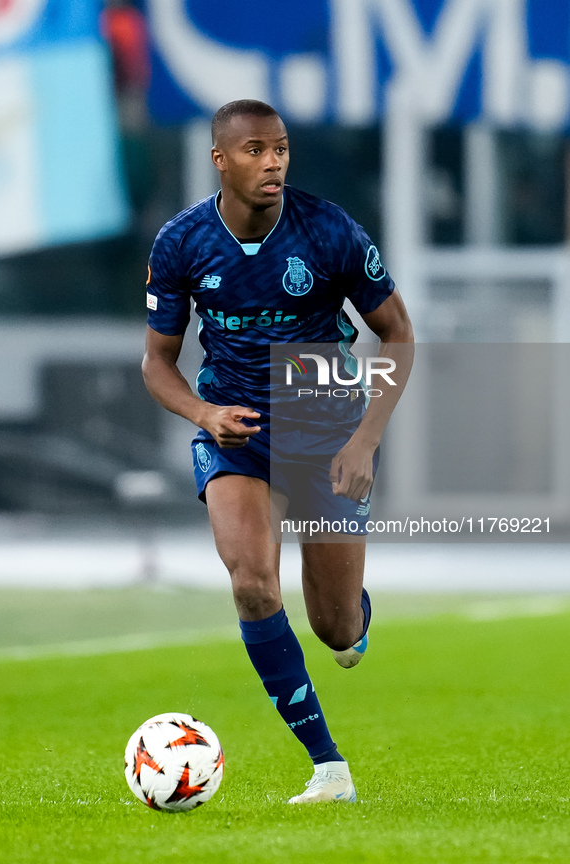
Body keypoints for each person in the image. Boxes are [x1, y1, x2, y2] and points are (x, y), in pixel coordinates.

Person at [142, 99, 414, 804]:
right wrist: (204, 412)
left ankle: (353, 611)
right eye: (256, 150)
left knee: (335, 627)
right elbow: (156, 363)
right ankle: (328, 766)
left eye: (282, 148)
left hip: (324, 424)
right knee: (252, 581)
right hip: (236, 429)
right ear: (220, 160)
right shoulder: (181, 243)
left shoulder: (328, 232)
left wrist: (363, 441)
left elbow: (400, 336)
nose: (274, 163)